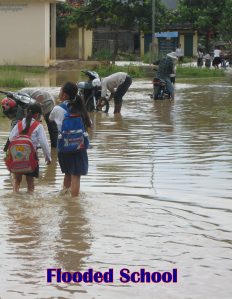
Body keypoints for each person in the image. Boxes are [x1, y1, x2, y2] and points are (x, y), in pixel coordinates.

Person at [49, 82, 92, 197]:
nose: (59, 92)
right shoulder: (81, 108)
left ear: (65, 95)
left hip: (63, 147)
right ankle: (74, 204)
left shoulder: (57, 108)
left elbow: (50, 118)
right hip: (79, 147)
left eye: (60, 90)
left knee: (67, 173)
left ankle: (65, 198)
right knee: (76, 176)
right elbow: (89, 124)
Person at [8, 103, 51, 193]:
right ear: (37, 115)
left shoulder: (19, 124)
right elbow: (44, 143)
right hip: (31, 158)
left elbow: (11, 138)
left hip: (17, 157)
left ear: (26, 112)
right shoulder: (38, 126)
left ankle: (15, 195)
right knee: (30, 181)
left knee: (17, 180)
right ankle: (30, 200)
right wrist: (48, 158)